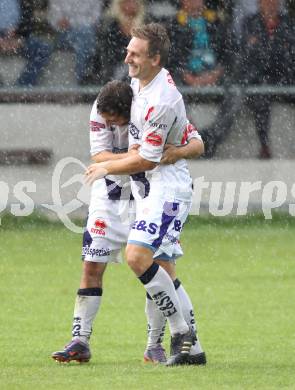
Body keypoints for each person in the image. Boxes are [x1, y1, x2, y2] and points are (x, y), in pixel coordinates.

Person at [51, 80, 205, 365]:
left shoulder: (152, 111)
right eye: (106, 120)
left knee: (159, 268)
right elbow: (100, 156)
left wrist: (167, 153)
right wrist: (139, 157)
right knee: (92, 264)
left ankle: (155, 345)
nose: (109, 124)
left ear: (128, 112)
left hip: (149, 197)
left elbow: (196, 142)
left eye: (114, 121)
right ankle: (80, 340)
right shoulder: (99, 109)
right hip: (108, 197)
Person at [85, 23, 206, 366]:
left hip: (167, 190)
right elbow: (194, 139)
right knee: (163, 268)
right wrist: (184, 147)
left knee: (138, 258)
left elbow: (149, 160)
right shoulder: (140, 86)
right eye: (128, 51)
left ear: (155, 58)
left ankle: (181, 332)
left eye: (135, 53)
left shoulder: (162, 100)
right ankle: (192, 351)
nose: (127, 58)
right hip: (150, 191)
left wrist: (107, 167)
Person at [47, 0, 102, 85]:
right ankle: (84, 77)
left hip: (86, 34)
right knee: (86, 36)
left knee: (84, 37)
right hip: (64, 35)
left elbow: (95, 19)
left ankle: (82, 77)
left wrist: (71, 22)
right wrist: (80, 23)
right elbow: (55, 20)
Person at [93, 0, 147, 84]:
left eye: (133, 1)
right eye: (127, 2)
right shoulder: (110, 25)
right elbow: (108, 52)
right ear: (119, 5)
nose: (130, 4)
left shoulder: (146, 23)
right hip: (117, 66)